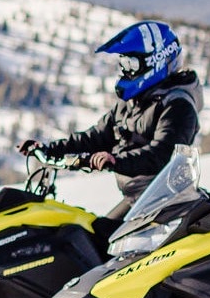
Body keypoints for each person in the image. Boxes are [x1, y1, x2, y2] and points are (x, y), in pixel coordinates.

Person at [19, 20, 200, 220]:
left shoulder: (178, 106)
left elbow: (161, 155)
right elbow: (96, 137)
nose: (125, 70)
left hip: (166, 204)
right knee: (90, 233)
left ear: (156, 60)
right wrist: (49, 149)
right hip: (140, 198)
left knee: (101, 242)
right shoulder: (133, 102)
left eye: (131, 63)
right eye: (123, 63)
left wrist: (114, 160)